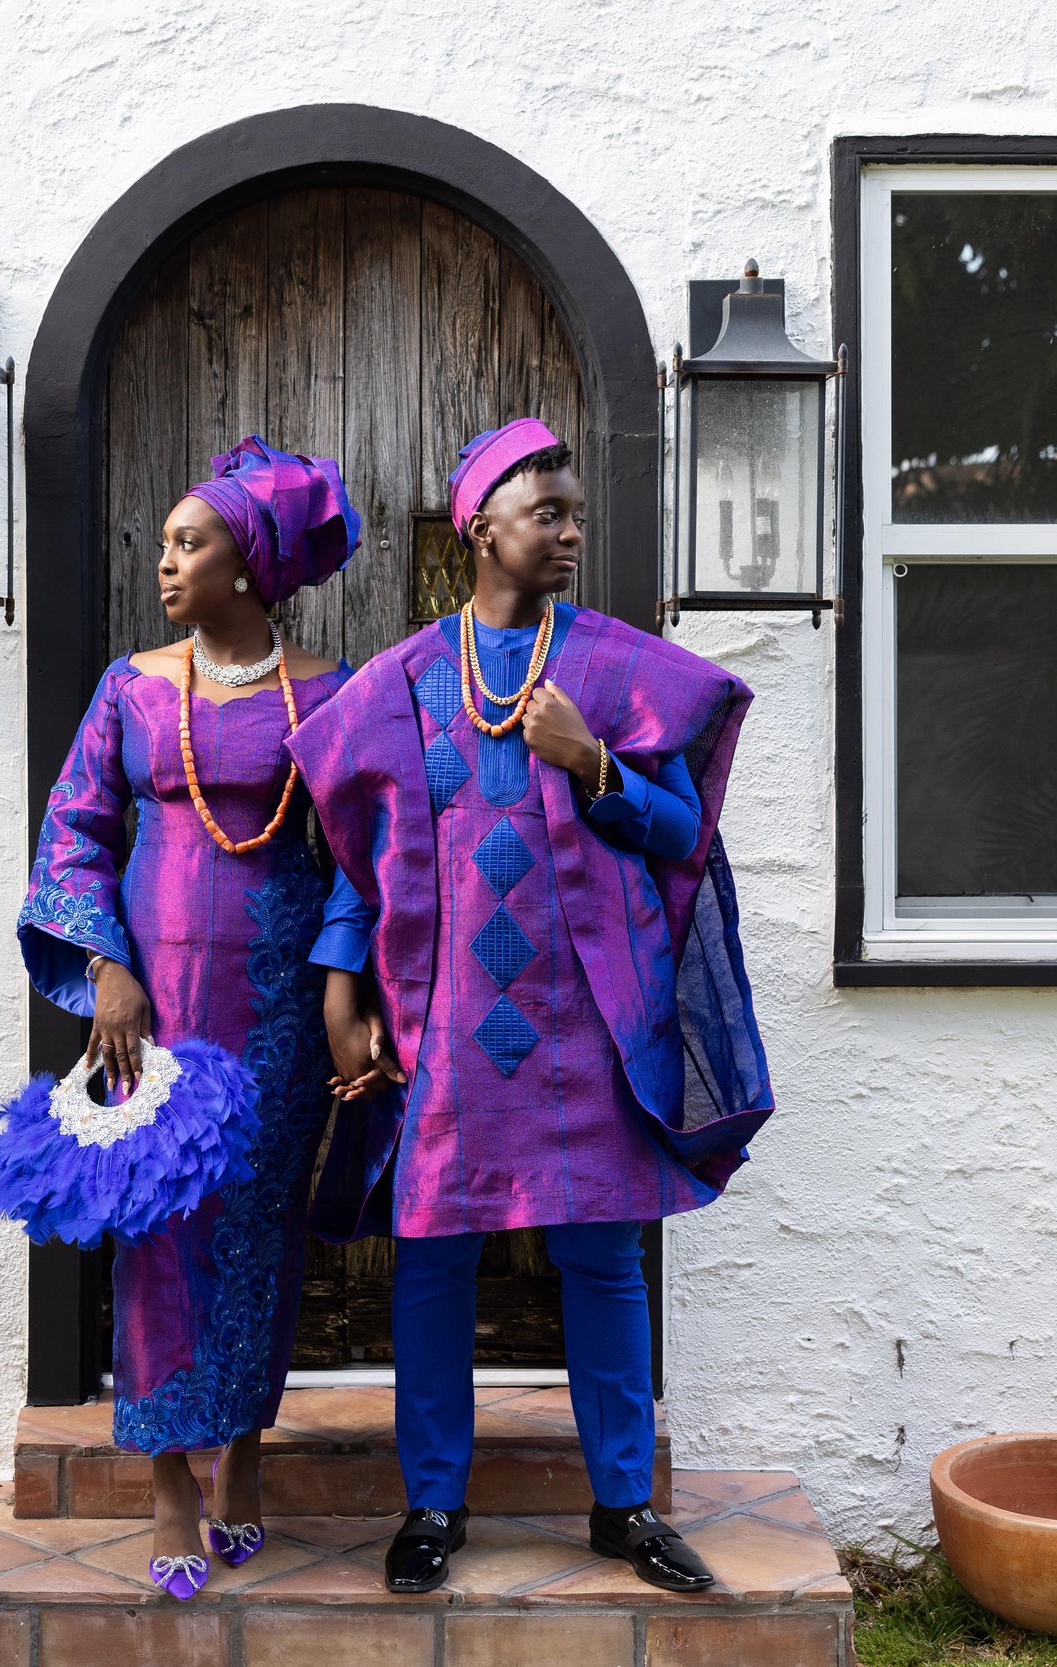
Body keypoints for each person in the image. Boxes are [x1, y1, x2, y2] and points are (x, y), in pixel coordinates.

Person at [289, 419, 774, 1595]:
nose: (568, 529)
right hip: (445, 1022)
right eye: (545, 512)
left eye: (572, 512)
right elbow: (363, 857)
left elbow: (681, 834)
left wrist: (593, 761)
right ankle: (433, 1504)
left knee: (602, 1254)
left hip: (587, 1022)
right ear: (479, 529)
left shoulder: (612, 671)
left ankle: (622, 1507)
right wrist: (342, 988)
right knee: (433, 1256)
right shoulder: (401, 684)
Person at [17, 437, 358, 1602]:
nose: (162, 561)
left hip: (273, 1013)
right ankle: (170, 1480)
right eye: (162, 542)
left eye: (186, 542)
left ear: (247, 563)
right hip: (148, 1013)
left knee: (259, 1232)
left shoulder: (327, 692)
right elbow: (76, 827)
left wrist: (343, 993)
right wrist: (105, 963)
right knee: (157, 1231)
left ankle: (246, 1449)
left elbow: (361, 863)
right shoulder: (131, 684)